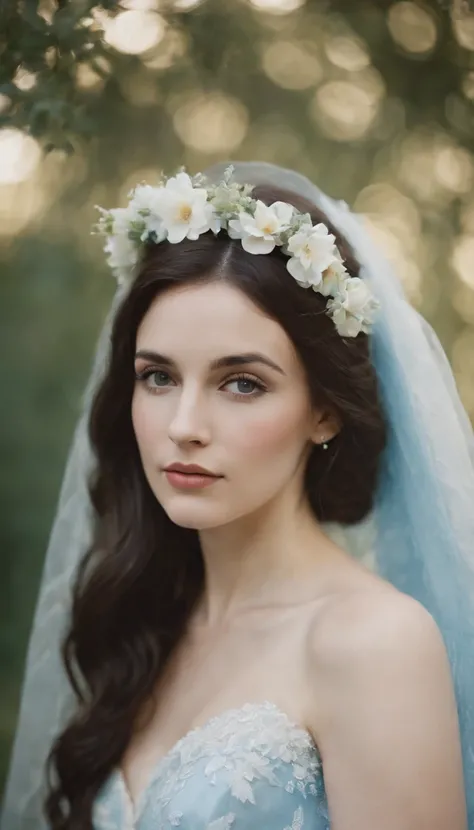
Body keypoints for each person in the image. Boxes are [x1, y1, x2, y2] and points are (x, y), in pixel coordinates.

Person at [2, 161, 474, 830]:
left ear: (324, 412)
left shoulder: (373, 644)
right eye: (158, 377)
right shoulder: (144, 617)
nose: (184, 427)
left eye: (242, 384)